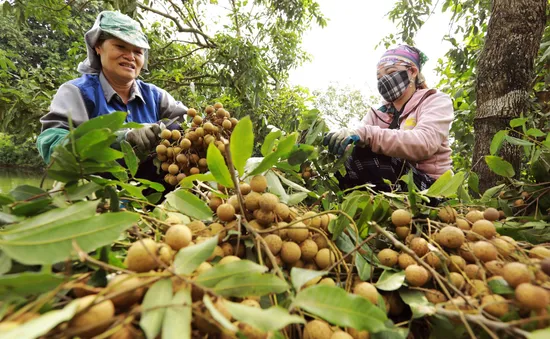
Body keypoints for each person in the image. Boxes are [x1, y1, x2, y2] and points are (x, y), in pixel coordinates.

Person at [37, 11, 187, 164]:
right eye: (120, 47)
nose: (130, 57)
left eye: (137, 51)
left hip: (158, 187)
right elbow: (52, 145)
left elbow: (188, 124)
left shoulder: (156, 96)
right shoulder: (76, 93)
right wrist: (122, 138)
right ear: (98, 47)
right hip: (97, 186)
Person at [323, 45, 453, 191]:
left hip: (431, 187)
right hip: (391, 181)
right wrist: (339, 142)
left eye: (391, 72)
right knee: (351, 156)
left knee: (367, 151)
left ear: (413, 72)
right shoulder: (378, 112)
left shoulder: (435, 101)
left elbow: (424, 143)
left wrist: (366, 135)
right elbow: (355, 143)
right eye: (379, 77)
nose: (384, 80)